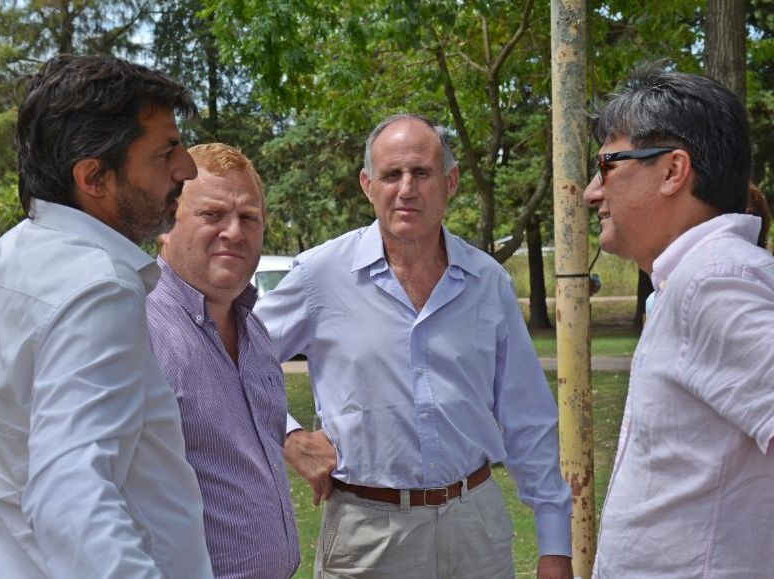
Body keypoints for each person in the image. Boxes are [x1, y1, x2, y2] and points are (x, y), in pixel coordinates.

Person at [256, 114, 573, 579]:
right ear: (368, 185)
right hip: (367, 534)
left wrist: (554, 545)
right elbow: (231, 360)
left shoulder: (488, 282)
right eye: (391, 174)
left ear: (450, 181)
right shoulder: (319, 276)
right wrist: (289, 436)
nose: (406, 188)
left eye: (421, 173)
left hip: (476, 528)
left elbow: (527, 417)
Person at [0, 55, 214, 578]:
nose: (188, 169)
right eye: (166, 151)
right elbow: (70, 496)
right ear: (94, 177)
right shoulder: (97, 287)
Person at [583, 66, 774, 577]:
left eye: (605, 165)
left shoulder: (713, 281)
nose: (590, 193)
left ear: (672, 171)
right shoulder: (690, 279)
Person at [146, 143, 300, 578]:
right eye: (212, 215)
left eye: (249, 217)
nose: (234, 231)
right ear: (164, 223)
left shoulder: (255, 332)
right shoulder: (135, 329)